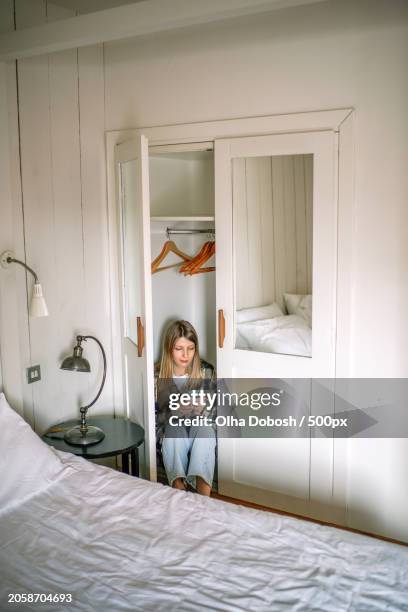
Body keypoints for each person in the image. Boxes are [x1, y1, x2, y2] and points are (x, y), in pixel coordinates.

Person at [154, 320, 216, 496]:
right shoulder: (156, 376)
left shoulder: (207, 371)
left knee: (206, 431)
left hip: (199, 427)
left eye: (190, 348)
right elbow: (151, 420)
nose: (185, 355)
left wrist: (203, 410)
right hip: (173, 430)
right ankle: (179, 489)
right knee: (174, 429)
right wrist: (173, 412)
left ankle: (204, 497)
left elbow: (216, 415)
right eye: (179, 348)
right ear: (169, 349)